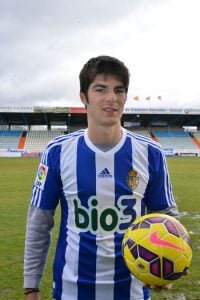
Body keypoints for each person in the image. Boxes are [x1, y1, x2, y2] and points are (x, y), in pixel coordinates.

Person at [23, 55, 180, 300]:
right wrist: (31, 287)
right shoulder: (57, 152)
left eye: (119, 90)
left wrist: (166, 270)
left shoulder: (151, 153)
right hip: (71, 291)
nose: (111, 98)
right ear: (83, 97)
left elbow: (167, 218)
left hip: (132, 292)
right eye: (100, 89)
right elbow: (39, 223)